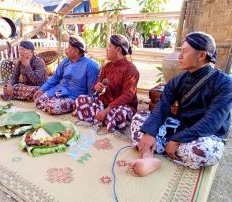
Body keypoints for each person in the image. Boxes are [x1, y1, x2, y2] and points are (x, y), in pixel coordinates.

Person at [129, 32, 232, 177]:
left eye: (184, 51)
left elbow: (212, 123)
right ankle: (148, 157)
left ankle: (158, 146)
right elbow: (162, 106)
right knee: (140, 117)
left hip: (205, 135)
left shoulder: (225, 83)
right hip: (180, 126)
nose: (179, 56)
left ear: (201, 55)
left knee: (205, 151)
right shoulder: (179, 79)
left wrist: (178, 139)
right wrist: (150, 132)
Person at [73, 34, 139, 132]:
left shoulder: (131, 70)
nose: (106, 49)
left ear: (118, 50)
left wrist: (107, 110)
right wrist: (97, 87)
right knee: (81, 100)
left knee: (118, 113)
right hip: (105, 103)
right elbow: (98, 82)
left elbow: (127, 96)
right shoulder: (107, 66)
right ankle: (104, 119)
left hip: (123, 106)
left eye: (109, 46)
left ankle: (101, 118)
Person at [33, 35, 99, 115]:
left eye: (69, 47)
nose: (66, 50)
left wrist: (87, 105)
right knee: (39, 99)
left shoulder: (91, 65)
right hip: (60, 91)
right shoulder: (65, 61)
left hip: (74, 96)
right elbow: (55, 78)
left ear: (76, 51)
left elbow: (91, 90)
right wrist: (42, 89)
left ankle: (56, 104)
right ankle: (53, 102)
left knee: (53, 107)